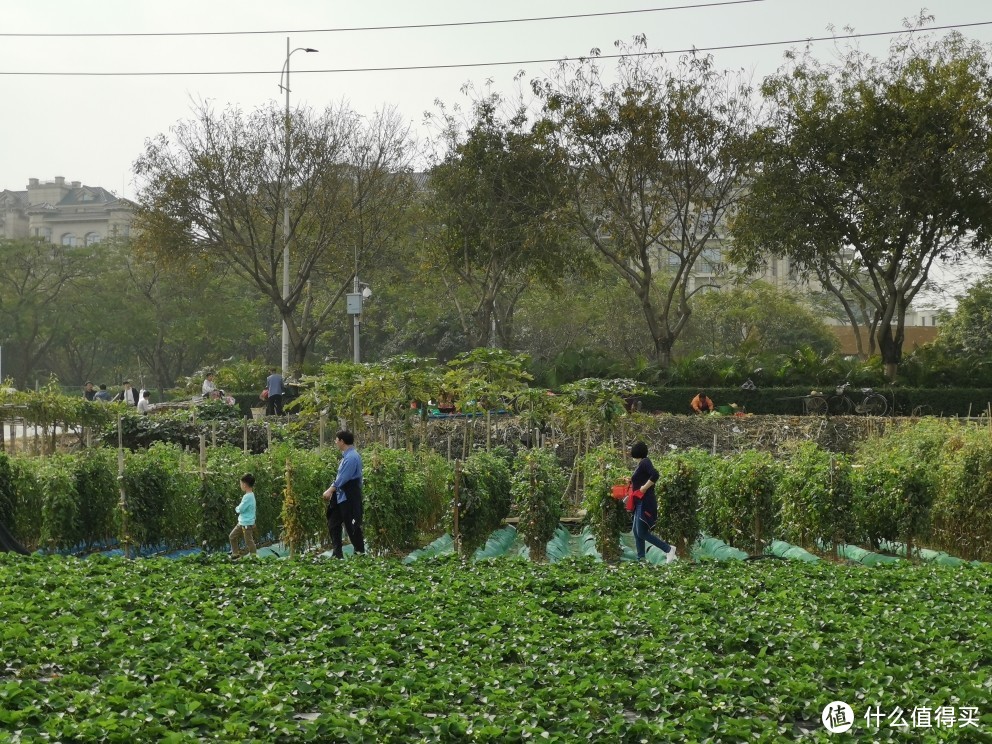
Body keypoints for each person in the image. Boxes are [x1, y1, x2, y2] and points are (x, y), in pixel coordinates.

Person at [628, 441, 678, 563]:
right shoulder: (641, 464)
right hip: (639, 502)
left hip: (645, 501)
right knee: (636, 531)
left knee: (642, 532)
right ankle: (641, 559)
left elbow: (655, 474)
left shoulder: (645, 462)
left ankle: (668, 549)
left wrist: (644, 488)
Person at [322, 431, 365, 559]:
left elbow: (344, 478)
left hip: (349, 496)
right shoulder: (347, 456)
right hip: (341, 496)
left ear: (342, 441)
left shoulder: (352, 457)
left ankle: (360, 553)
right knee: (333, 523)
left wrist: (330, 490)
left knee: (352, 526)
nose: (335, 442)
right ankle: (337, 553)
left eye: (336, 440)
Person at [230, 473, 257, 559]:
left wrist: (236, 508)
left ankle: (254, 557)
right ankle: (235, 554)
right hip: (242, 522)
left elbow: (240, 509)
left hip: (246, 523)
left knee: (249, 541)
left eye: (241, 484)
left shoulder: (248, 497)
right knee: (232, 536)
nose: (240, 485)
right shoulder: (250, 495)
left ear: (245, 485)